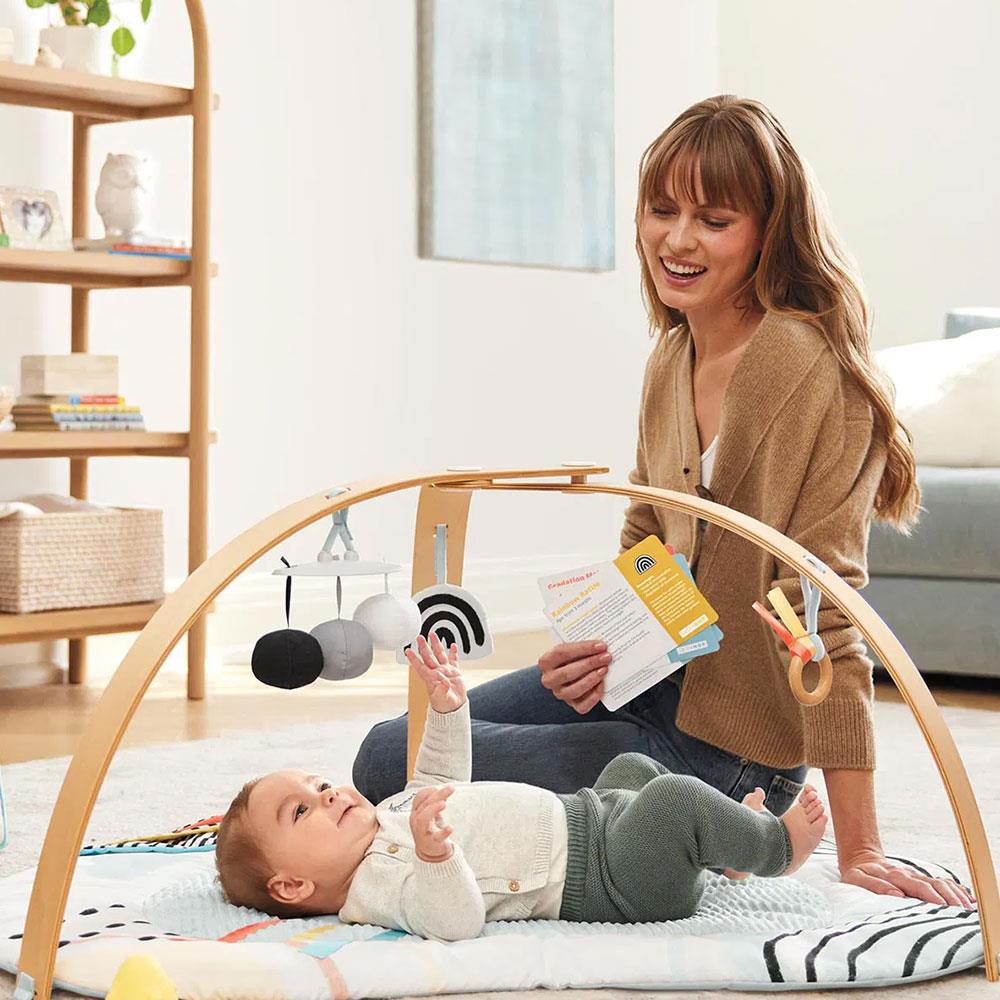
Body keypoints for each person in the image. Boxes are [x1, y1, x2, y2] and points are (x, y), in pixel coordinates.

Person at [350, 94, 977, 910]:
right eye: (662, 210)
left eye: (714, 220)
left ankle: (725, 830)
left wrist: (859, 848)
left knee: (451, 785)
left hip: (735, 753)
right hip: (646, 690)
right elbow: (648, 537)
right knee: (386, 753)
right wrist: (598, 650)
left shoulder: (814, 373)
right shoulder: (670, 357)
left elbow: (824, 616)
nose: (678, 240)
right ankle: (674, 827)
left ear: (767, 230)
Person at [215, 633, 830, 938]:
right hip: (609, 881)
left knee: (634, 774)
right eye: (301, 812)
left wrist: (449, 711)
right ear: (292, 885)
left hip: (591, 819)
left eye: (320, 784)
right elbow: (454, 922)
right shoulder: (372, 889)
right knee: (673, 801)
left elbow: (441, 780)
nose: (327, 795)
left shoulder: (389, 817)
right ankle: (777, 848)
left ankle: (726, 855)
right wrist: (435, 856)